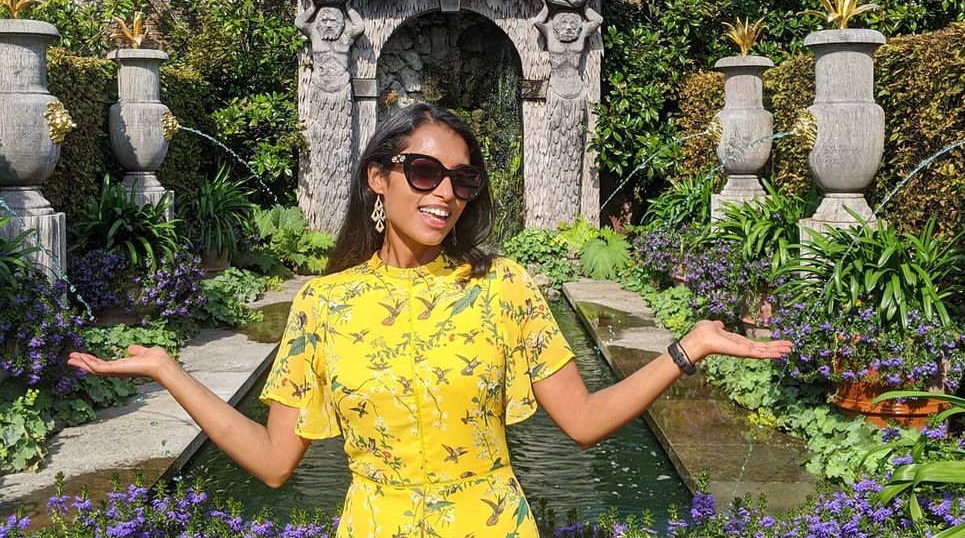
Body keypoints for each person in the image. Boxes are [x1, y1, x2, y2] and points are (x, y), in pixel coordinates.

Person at [68, 103, 792, 538]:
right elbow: (272, 460)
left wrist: (687, 347)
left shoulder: (503, 286)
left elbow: (585, 419)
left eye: (462, 179)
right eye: (424, 171)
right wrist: (170, 370)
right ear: (378, 178)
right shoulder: (324, 306)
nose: (446, 192)